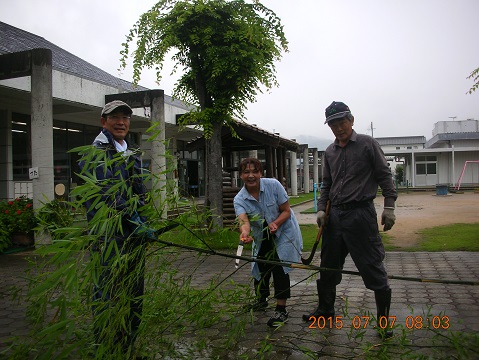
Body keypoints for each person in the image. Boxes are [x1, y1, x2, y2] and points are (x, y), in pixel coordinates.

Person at [302, 101, 397, 339]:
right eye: (333, 124)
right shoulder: (330, 152)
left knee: (373, 266)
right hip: (334, 217)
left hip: (361, 215)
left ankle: (384, 322)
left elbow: (385, 176)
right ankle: (325, 311)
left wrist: (389, 207)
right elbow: (327, 184)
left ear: (351, 120)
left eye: (342, 122)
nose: (338, 128)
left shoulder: (367, 144)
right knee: (328, 266)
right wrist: (322, 210)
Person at [79, 100, 154, 355]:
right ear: (104, 122)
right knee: (108, 292)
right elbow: (106, 193)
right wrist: (133, 217)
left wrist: (144, 218)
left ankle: (128, 345)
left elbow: (139, 190)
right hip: (108, 235)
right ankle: (106, 348)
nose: (121, 122)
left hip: (132, 236)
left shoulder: (131, 151)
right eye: (115, 117)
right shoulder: (96, 151)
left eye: (125, 117)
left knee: (133, 291)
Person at [234, 158, 303, 327]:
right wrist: (244, 234)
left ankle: (281, 309)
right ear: (241, 175)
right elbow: (244, 221)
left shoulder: (273, 185)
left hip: (284, 232)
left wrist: (276, 223)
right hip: (261, 235)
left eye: (254, 171)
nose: (251, 176)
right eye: (246, 172)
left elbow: (286, 211)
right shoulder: (239, 199)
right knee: (260, 265)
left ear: (260, 173)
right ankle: (261, 299)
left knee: (280, 267)